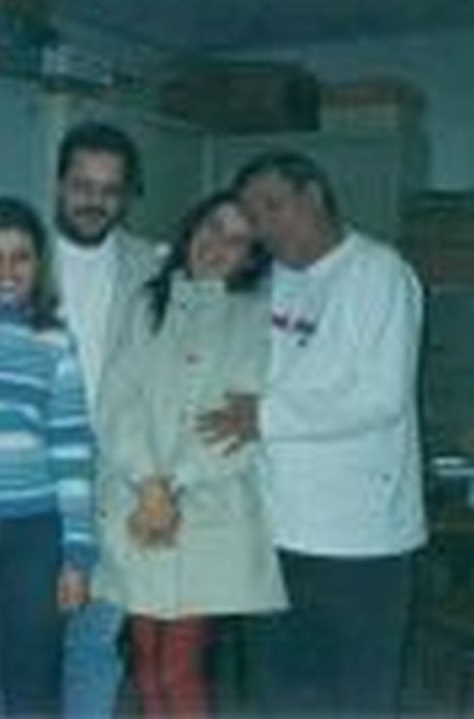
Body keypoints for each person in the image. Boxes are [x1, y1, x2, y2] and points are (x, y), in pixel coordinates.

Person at [204, 149, 427, 716]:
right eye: (254, 216)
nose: (264, 226)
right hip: (274, 535)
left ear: (315, 196)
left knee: (359, 699)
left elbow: (381, 398)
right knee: (278, 694)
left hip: (360, 544)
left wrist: (265, 417)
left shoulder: (378, 273)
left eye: (274, 206)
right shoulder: (270, 279)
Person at [93, 192, 286, 718]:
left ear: (251, 257)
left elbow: (240, 426)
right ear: (192, 226)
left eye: (237, 240)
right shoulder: (144, 303)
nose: (218, 244)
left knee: (178, 667)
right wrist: (148, 483)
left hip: (205, 511)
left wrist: (173, 483)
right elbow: (117, 400)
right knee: (145, 664)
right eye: (213, 226)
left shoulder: (256, 317)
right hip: (138, 506)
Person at [0, 197, 95, 717]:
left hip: (35, 531)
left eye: (21, 257)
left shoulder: (55, 341)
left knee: (32, 684)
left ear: (39, 263)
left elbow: (72, 448)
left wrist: (77, 555)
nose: (7, 270)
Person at [53, 121, 163, 717]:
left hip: (117, 482)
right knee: (25, 640)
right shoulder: (16, 255)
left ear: (127, 195)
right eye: (82, 185)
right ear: (59, 183)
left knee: (94, 642)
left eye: (110, 189)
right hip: (33, 480)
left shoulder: (154, 266)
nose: (94, 200)